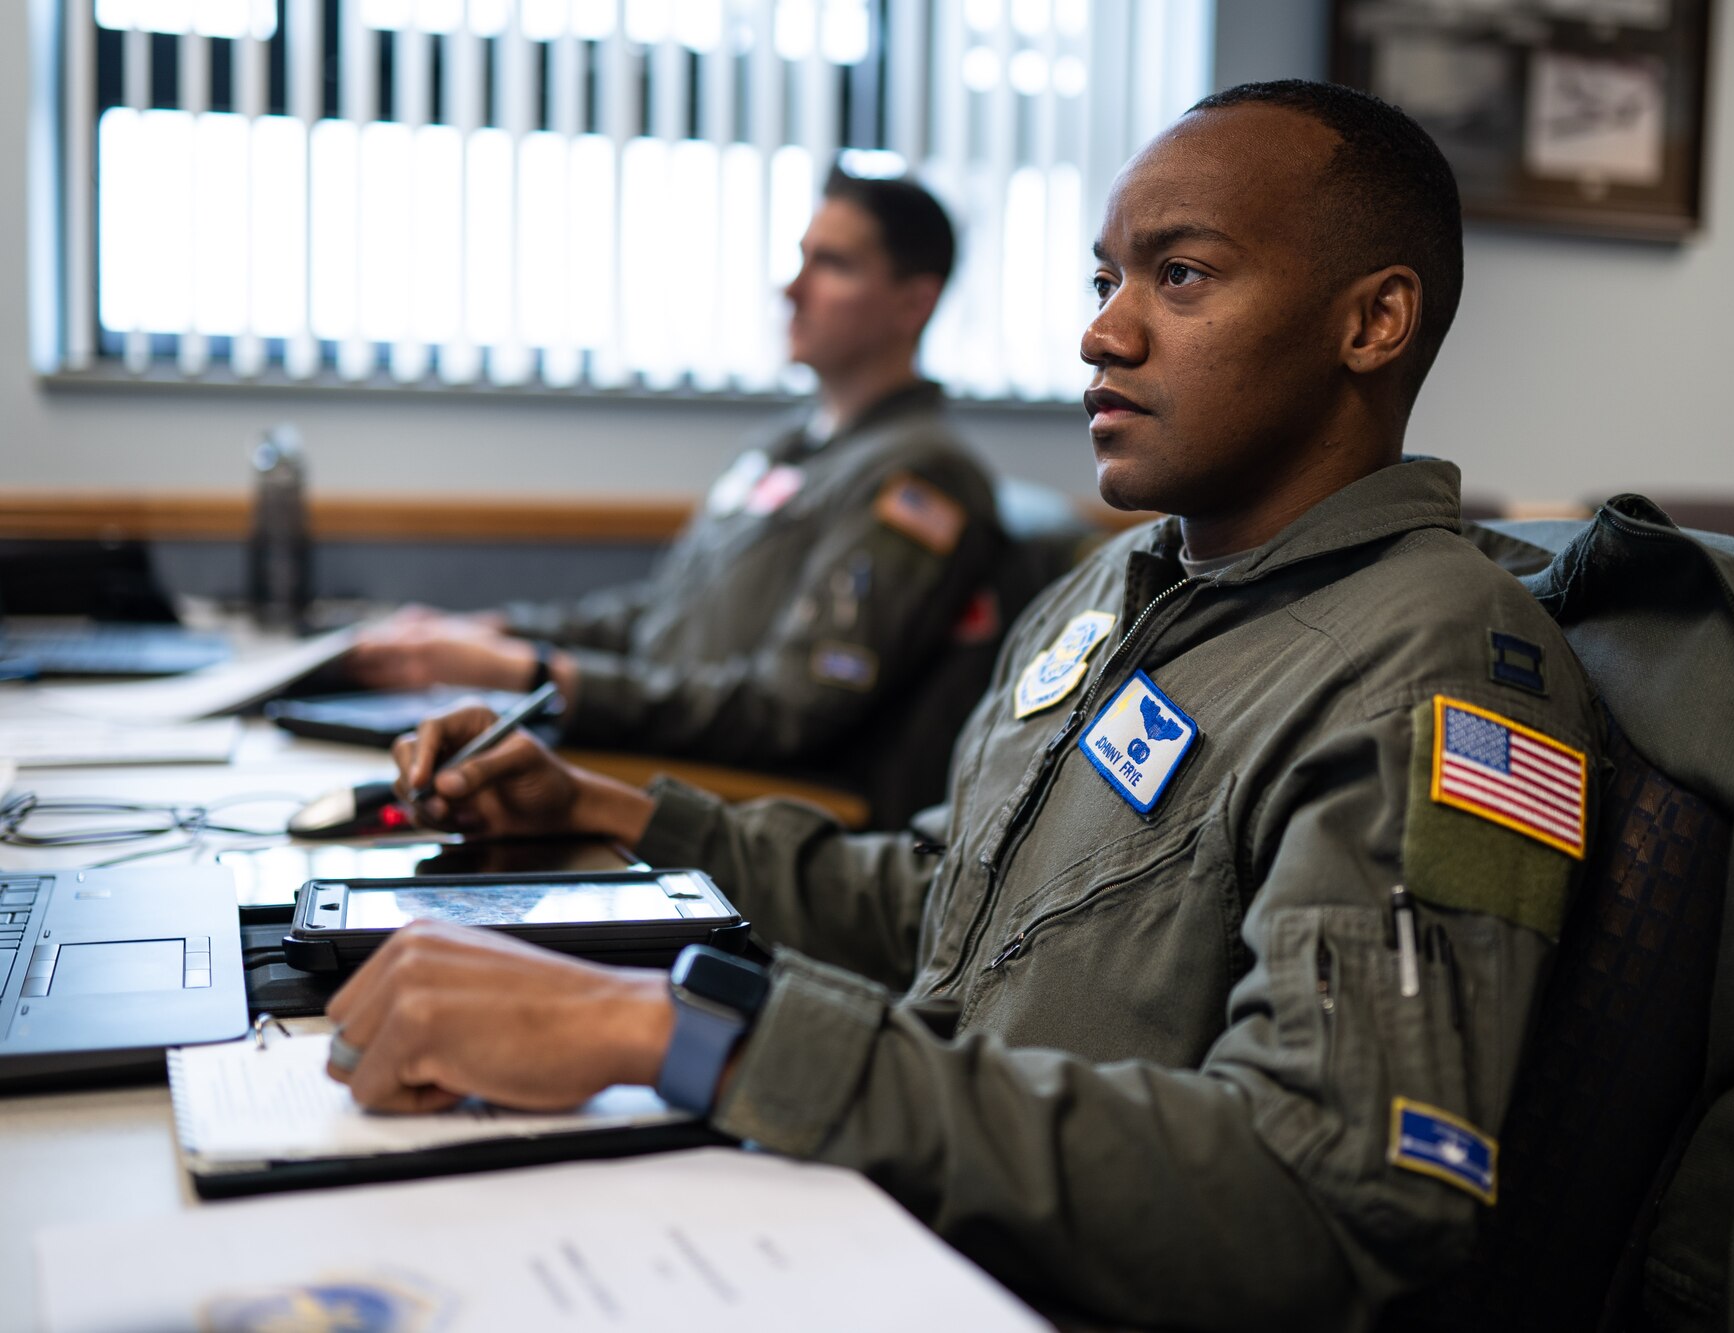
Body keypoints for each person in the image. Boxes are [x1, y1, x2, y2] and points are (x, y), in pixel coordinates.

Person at [327, 81, 1601, 1328]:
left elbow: (1330, 1198)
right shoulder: (1117, 587)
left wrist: (699, 1031)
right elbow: (938, 905)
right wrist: (612, 811)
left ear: (1371, 322)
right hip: (884, 1202)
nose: (1105, 333)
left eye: (1182, 275)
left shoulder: (1434, 661)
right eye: (1102, 281)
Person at [343, 170, 1007, 824]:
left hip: (751, 802)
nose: (792, 288)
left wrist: (542, 676)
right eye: (800, 260)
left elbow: (787, 711)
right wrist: (496, 632)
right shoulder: (785, 446)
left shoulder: (921, 478)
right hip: (668, 751)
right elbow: (657, 618)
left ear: (913, 304)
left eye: (832, 265)